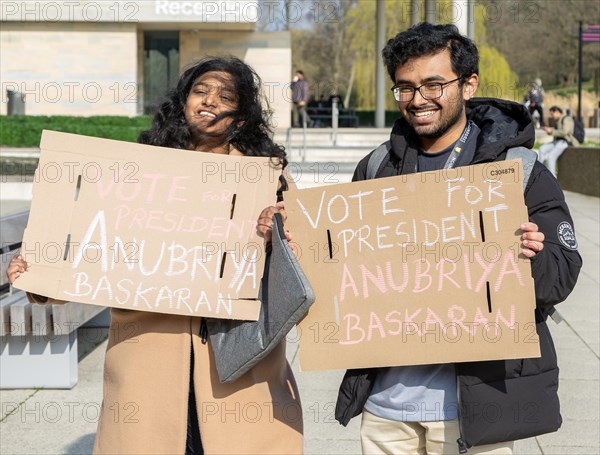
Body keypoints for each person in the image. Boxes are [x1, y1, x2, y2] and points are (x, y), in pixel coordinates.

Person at [7, 56, 303, 455]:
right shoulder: (136, 171)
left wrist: (276, 238)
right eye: (200, 91)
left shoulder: (269, 180)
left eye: (224, 95)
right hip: (147, 357)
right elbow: (93, 248)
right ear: (183, 102)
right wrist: (39, 278)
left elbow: (303, 267)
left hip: (236, 365)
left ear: (242, 115)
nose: (209, 101)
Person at [334, 23, 582, 454]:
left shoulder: (520, 171)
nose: (418, 100)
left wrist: (531, 257)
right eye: (405, 88)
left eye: (434, 84)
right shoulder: (375, 169)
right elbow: (343, 273)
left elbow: (560, 276)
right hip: (386, 411)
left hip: (478, 408)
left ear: (468, 85)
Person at [538, 105, 580, 177]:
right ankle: (541, 172)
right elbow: (556, 132)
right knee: (542, 149)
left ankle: (552, 177)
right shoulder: (558, 120)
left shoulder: (567, 119)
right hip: (557, 141)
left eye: (552, 114)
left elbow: (565, 132)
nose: (552, 116)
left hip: (565, 142)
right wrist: (549, 131)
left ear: (557, 112)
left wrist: (552, 131)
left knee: (551, 156)